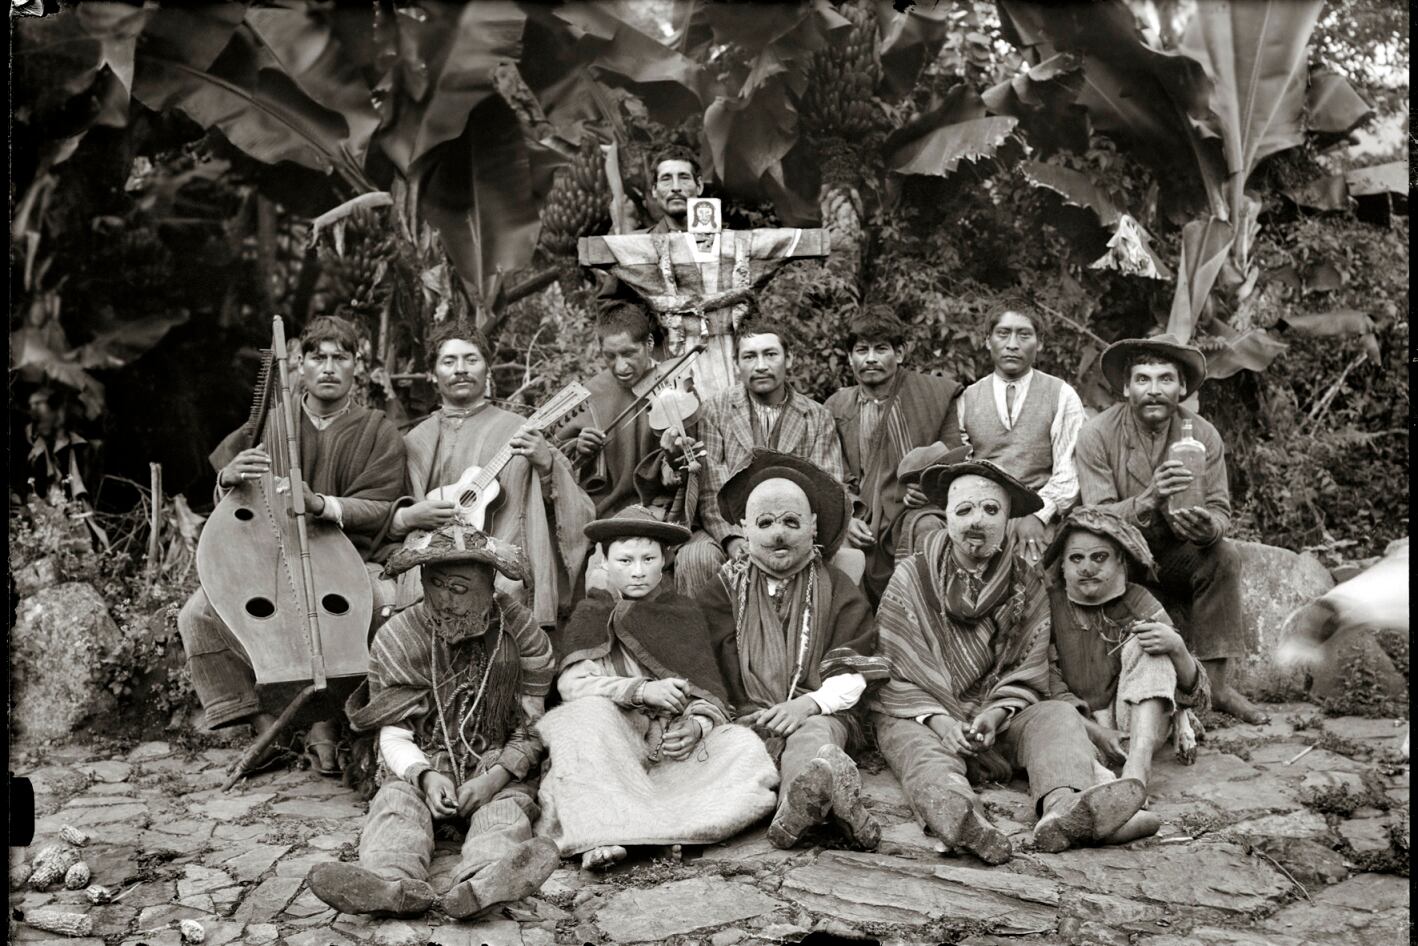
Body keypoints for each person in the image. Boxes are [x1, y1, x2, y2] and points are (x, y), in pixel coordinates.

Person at [871, 458, 1146, 864]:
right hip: (924, 715)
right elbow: (895, 667)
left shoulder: (1026, 583)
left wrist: (995, 714)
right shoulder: (911, 576)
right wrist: (942, 721)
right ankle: (958, 815)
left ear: (1007, 520)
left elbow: (1027, 668)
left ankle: (1063, 807)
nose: (976, 521)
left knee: (1057, 716)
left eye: (990, 509)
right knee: (912, 744)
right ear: (947, 517)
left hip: (996, 718)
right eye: (964, 510)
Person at [179, 315, 406, 776]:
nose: (329, 368)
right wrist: (228, 479)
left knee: (377, 603)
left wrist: (320, 504)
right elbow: (236, 500)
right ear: (299, 365)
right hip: (271, 559)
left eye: (340, 358)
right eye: (317, 358)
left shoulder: (377, 429)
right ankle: (267, 727)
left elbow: (382, 507)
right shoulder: (269, 424)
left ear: (356, 366)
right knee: (197, 614)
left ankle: (336, 721)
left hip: (349, 557)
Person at [306, 525, 560, 919]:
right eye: (435, 585)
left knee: (507, 813)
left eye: (459, 588)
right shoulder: (397, 638)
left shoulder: (521, 631)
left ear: (490, 586)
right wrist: (424, 776)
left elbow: (531, 726)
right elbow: (393, 733)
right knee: (395, 804)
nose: (445, 600)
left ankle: (483, 883)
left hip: (496, 767)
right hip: (423, 766)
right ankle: (389, 884)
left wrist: (492, 780)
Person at [535, 506, 778, 870]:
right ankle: (602, 836)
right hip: (614, 747)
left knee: (741, 745)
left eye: (648, 559)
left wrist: (697, 725)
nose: (638, 571)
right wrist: (640, 691)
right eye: (625, 560)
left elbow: (707, 690)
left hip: (669, 755)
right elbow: (572, 686)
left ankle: (664, 829)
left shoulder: (683, 613)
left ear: (664, 560)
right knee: (582, 718)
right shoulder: (591, 613)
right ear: (604, 562)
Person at [699, 450, 889, 851]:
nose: (778, 534)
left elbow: (852, 671)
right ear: (744, 529)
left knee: (815, 740)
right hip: (746, 717)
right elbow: (704, 668)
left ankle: (794, 810)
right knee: (734, 752)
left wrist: (806, 705)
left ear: (813, 526)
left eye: (791, 522)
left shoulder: (838, 589)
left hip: (816, 711)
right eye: (765, 523)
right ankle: (835, 810)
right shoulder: (721, 592)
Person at [1074, 334, 1267, 724]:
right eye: (1142, 379)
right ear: (1126, 388)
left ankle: (1216, 688)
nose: (1154, 390)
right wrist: (1147, 499)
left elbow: (1220, 509)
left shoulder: (1203, 435)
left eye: (1165, 379)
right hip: (1122, 555)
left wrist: (1208, 528)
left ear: (1182, 388)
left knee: (1223, 555)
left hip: (1178, 552)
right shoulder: (1097, 434)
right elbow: (1096, 518)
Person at [388, 319, 595, 628]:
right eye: (449, 361)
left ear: (488, 369)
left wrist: (546, 466)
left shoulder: (522, 432)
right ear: (432, 374)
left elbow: (578, 513)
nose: (461, 369)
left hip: (505, 577)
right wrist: (408, 517)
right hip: (430, 570)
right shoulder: (415, 442)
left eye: (471, 359)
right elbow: (386, 518)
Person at [1044, 506, 1209, 836]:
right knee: (1057, 736)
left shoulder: (1138, 601)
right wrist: (1095, 731)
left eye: (1099, 557)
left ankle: (1137, 774)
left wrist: (1177, 648)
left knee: (1151, 646)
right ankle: (1105, 799)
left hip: (1134, 720)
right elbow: (1044, 680)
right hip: (1078, 722)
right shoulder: (1050, 606)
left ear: (1121, 561)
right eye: (1076, 558)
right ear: (1062, 565)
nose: (1087, 567)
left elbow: (1199, 697)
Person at [676, 318, 847, 595]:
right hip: (730, 527)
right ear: (736, 364)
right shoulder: (715, 411)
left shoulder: (817, 417)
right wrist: (733, 540)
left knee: (824, 564)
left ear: (788, 359)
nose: (761, 366)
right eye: (749, 357)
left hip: (794, 529)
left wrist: (789, 536)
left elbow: (827, 489)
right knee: (696, 557)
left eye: (770, 354)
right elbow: (711, 489)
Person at [825, 305, 962, 601]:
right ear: (850, 357)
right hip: (858, 514)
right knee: (834, 545)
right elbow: (829, 472)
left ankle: (925, 619)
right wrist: (846, 516)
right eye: (862, 350)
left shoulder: (935, 396)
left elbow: (956, 456)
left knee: (929, 529)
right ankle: (853, 627)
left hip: (915, 511)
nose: (870, 359)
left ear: (899, 353)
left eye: (881, 349)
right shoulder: (836, 407)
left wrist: (930, 488)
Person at [955, 298, 1085, 565]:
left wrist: (1039, 515)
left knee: (1032, 573)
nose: (1012, 344)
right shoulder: (967, 398)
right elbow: (961, 465)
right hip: (980, 512)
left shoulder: (1061, 395)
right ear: (988, 340)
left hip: (1038, 514)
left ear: (1040, 343)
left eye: (1024, 335)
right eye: (1003, 334)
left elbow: (1069, 469)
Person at [553, 301, 664, 518]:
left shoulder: (674, 383)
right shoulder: (591, 393)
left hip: (661, 507)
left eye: (629, 353)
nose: (620, 367)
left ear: (649, 343)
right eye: (610, 356)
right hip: (605, 512)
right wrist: (579, 448)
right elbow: (555, 456)